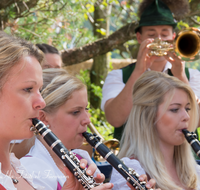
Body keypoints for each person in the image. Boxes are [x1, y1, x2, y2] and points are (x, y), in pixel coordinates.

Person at [0, 31, 112, 190]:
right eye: (27, 89)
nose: (41, 102)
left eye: (39, 90)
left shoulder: (19, 171)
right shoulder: (32, 168)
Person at [20, 68, 157, 190]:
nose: (87, 119)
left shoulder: (81, 160)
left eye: (86, 109)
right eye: (75, 112)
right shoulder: (31, 170)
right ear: (43, 118)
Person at [101, 0, 200, 140]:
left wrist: (180, 76)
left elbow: (197, 121)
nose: (159, 40)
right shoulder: (118, 76)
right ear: (139, 37)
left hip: (181, 157)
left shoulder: (192, 76)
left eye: (164, 34)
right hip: (135, 158)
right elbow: (115, 119)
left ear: (173, 37)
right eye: (152, 35)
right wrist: (138, 73)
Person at [110, 71, 200, 190]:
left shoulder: (195, 170)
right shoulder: (128, 172)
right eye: (174, 109)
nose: (186, 117)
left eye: (187, 108)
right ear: (148, 116)